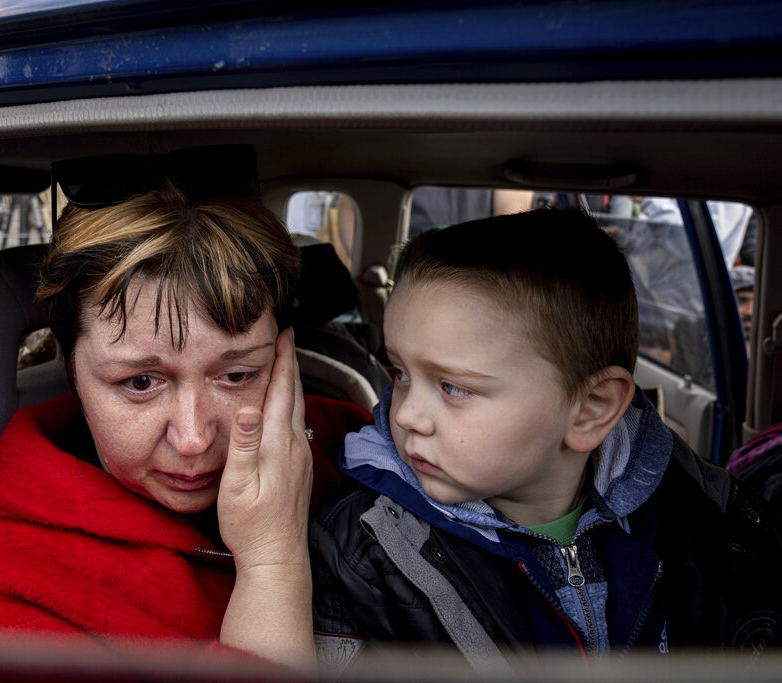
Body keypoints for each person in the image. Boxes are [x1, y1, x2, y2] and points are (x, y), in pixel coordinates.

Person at [0, 183, 372, 671]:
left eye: (237, 376)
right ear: (73, 373)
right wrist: (273, 563)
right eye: (141, 381)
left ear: (282, 357)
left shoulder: (354, 446)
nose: (193, 438)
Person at [311, 208, 782, 675]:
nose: (407, 414)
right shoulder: (361, 550)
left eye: (453, 387)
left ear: (591, 409)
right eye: (401, 374)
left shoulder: (707, 513)